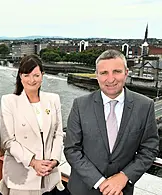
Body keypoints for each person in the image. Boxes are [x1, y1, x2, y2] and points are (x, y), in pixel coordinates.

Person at [64, 49, 159, 195]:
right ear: (97, 75)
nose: (110, 79)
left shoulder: (145, 106)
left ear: (126, 73)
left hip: (122, 190)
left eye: (116, 71)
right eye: (104, 73)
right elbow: (72, 149)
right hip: (83, 190)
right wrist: (101, 183)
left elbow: (149, 149)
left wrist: (124, 177)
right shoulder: (80, 105)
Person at [0, 54, 64, 195]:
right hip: (22, 177)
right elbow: (8, 141)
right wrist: (34, 162)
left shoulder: (53, 100)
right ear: (20, 76)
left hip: (49, 175)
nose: (31, 80)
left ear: (43, 75)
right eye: (26, 75)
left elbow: (58, 134)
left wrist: (54, 160)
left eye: (36, 75)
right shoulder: (9, 101)